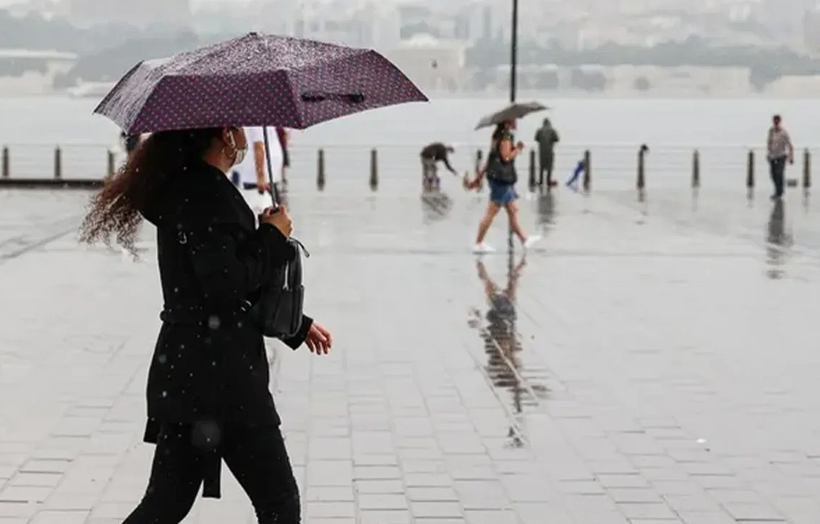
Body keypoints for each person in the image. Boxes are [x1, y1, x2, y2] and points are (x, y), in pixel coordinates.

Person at [78, 127, 333, 524]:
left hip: (187, 372)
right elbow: (225, 287)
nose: (245, 137)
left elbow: (218, 281)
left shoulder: (187, 192)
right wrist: (273, 235)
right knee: (279, 503)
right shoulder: (206, 198)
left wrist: (297, 325)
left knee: (166, 504)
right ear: (223, 137)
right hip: (225, 380)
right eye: (238, 129)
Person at [466, 120, 540, 253]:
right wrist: (517, 149)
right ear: (508, 122)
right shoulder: (505, 136)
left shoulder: (496, 136)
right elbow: (506, 157)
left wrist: (479, 177)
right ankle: (478, 242)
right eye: (514, 120)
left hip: (496, 177)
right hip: (501, 179)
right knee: (492, 211)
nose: (516, 122)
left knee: (512, 210)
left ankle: (524, 239)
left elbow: (490, 159)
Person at [231, 126, 278, 216]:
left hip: (260, 176)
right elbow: (258, 147)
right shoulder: (257, 123)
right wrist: (261, 176)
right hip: (259, 180)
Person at [767, 114, 794, 200]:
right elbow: (769, 142)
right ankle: (777, 190)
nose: (775, 123)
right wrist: (768, 152)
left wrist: (791, 157)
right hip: (772, 156)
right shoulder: (771, 131)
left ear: (779, 121)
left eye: (777, 121)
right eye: (774, 121)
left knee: (779, 174)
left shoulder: (783, 133)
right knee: (773, 175)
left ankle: (779, 193)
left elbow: (790, 145)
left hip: (781, 156)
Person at [534, 118, 560, 188]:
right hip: (549, 150)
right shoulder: (552, 130)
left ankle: (541, 181)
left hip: (542, 151)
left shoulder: (539, 130)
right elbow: (557, 139)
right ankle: (548, 181)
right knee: (549, 167)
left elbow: (536, 138)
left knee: (541, 166)